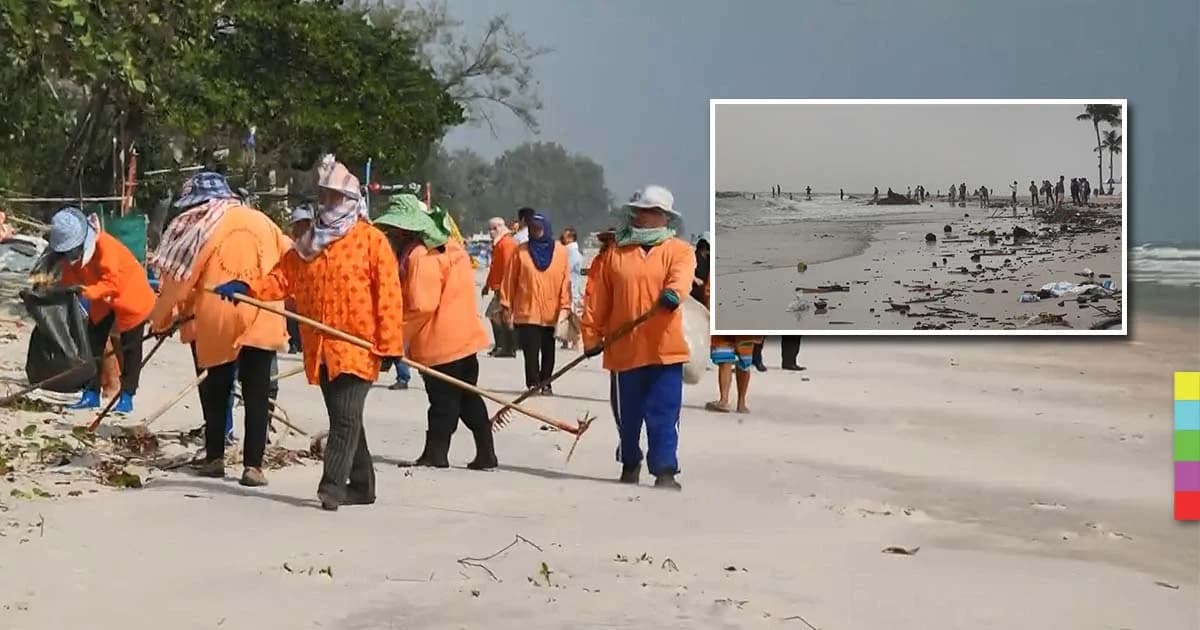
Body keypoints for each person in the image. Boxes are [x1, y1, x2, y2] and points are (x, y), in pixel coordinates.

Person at [215, 158, 404, 510]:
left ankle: (331, 487)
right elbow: (281, 279)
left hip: (359, 346)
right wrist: (247, 287)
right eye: (324, 196)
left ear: (351, 200)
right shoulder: (308, 244)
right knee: (346, 417)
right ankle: (363, 485)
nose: (327, 203)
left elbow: (390, 295)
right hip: (321, 347)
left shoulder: (371, 242)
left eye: (334, 197)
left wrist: (391, 345)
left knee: (345, 416)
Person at [148, 171, 289, 487]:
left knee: (216, 390)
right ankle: (253, 466)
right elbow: (292, 260)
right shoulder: (264, 222)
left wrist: (160, 320)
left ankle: (215, 458)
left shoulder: (202, 227)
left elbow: (179, 281)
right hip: (264, 314)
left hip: (217, 319)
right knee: (257, 393)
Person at [581, 185, 694, 490]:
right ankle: (630, 461)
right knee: (627, 417)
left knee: (664, 414)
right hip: (623, 348)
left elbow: (682, 277)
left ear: (665, 217)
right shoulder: (615, 252)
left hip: (664, 349)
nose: (643, 216)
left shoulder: (679, 250)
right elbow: (596, 299)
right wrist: (591, 336)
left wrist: (673, 294)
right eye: (640, 210)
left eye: (651, 211)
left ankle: (665, 469)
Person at [373, 196, 496, 470]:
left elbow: (421, 306)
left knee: (443, 402)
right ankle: (486, 452)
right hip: (465, 336)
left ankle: (436, 454)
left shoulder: (420, 255)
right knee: (468, 397)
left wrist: (393, 339)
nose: (390, 236)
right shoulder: (451, 246)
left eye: (393, 231)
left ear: (405, 230)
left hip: (440, 342)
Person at [47, 206, 155, 413]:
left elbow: (111, 283)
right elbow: (70, 276)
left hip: (130, 296)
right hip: (102, 301)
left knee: (130, 348)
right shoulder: (70, 256)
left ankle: (127, 395)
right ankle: (91, 393)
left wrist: (87, 291)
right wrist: (61, 290)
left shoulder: (106, 247)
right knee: (92, 344)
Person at [500, 213, 569, 395]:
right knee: (530, 351)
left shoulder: (561, 252)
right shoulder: (520, 251)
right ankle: (533, 383)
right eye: (532, 228)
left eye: (539, 228)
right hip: (527, 310)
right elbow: (510, 280)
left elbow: (565, 281)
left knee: (548, 350)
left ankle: (546, 383)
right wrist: (506, 304)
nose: (535, 231)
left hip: (551, 311)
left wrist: (565, 306)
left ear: (546, 228)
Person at [482, 217, 518, 358]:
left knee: (496, 315)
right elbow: (494, 268)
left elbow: (508, 268)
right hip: (499, 286)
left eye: (491, 229)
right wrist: (487, 285)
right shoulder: (500, 243)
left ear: (497, 228)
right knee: (499, 316)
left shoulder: (506, 243)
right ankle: (503, 346)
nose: (490, 233)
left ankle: (506, 346)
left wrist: (505, 288)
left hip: (504, 287)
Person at [285, 204, 312, 354]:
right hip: (293, 297)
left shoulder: (321, 245)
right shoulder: (292, 249)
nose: (300, 228)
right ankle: (295, 343)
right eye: (298, 224)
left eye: (305, 224)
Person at [559, 227, 585, 350]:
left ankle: (577, 337)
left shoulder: (573, 253)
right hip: (567, 287)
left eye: (565, 236)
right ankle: (566, 339)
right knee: (566, 314)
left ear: (570, 238)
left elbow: (566, 268)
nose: (562, 237)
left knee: (572, 314)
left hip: (571, 287)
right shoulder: (567, 251)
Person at [690, 232, 710, 304]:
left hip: (704, 295)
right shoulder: (693, 257)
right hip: (693, 294)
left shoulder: (709, 259)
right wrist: (694, 278)